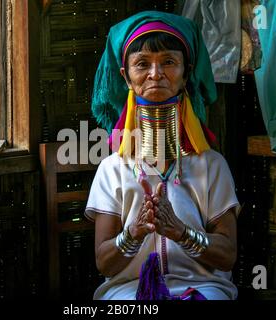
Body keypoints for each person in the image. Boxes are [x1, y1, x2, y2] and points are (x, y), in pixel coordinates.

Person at [84, 11, 241, 300]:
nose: (156, 74)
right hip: (128, 291)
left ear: (186, 72)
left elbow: (227, 257)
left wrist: (180, 231)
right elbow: (104, 263)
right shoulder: (112, 169)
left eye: (168, 62)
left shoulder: (211, 165)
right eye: (142, 64)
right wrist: (134, 231)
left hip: (203, 289)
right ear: (126, 77)